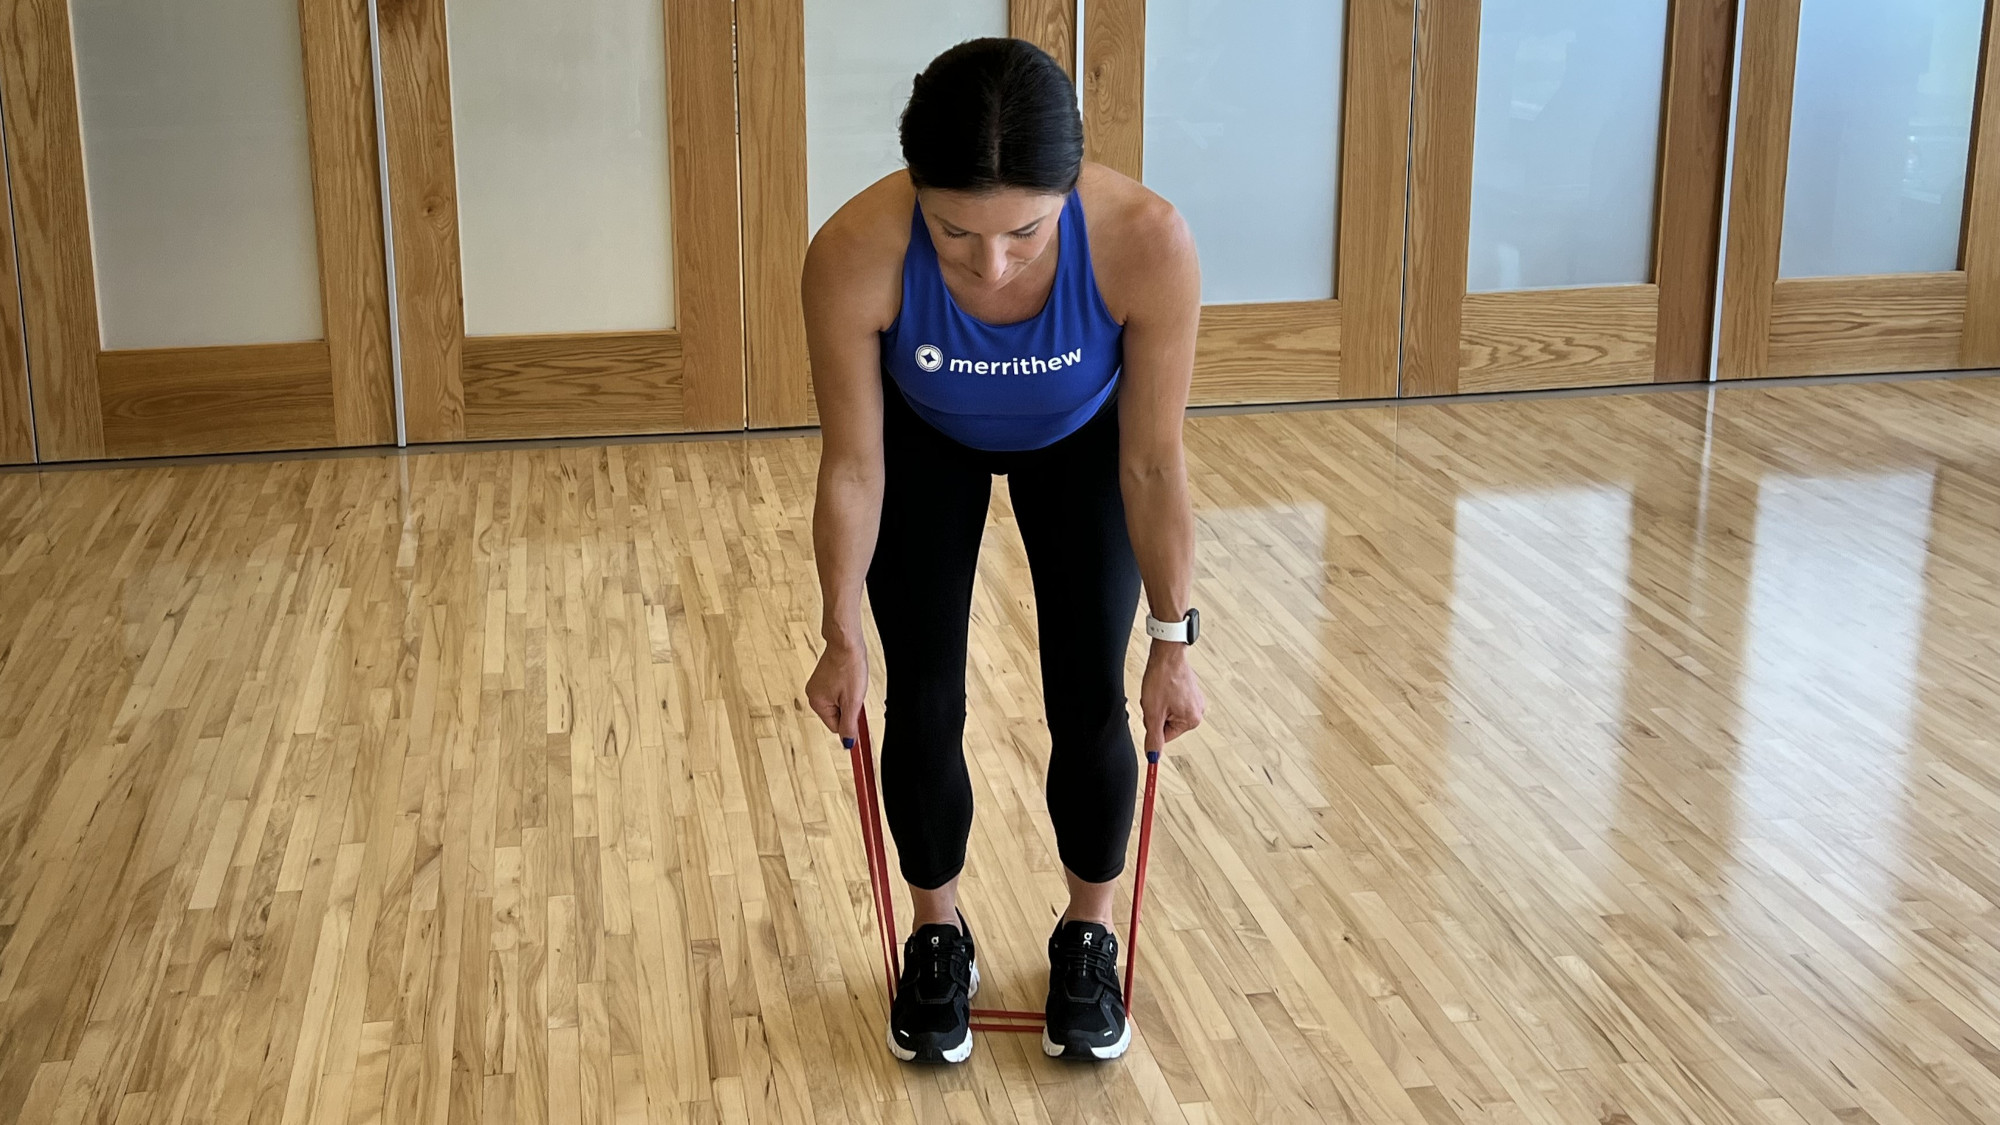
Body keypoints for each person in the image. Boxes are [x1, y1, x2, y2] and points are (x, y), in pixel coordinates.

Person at [803, 37, 1206, 1065]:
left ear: (1068, 191)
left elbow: (1154, 463)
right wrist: (838, 630)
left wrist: (1174, 639)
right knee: (921, 695)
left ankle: (1088, 935)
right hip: (922, 442)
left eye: (1025, 233)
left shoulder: (1145, 241)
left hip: (1083, 446)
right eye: (954, 233)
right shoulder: (853, 250)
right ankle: (937, 933)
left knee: (1089, 694)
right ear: (915, 190)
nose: (990, 265)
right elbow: (852, 465)